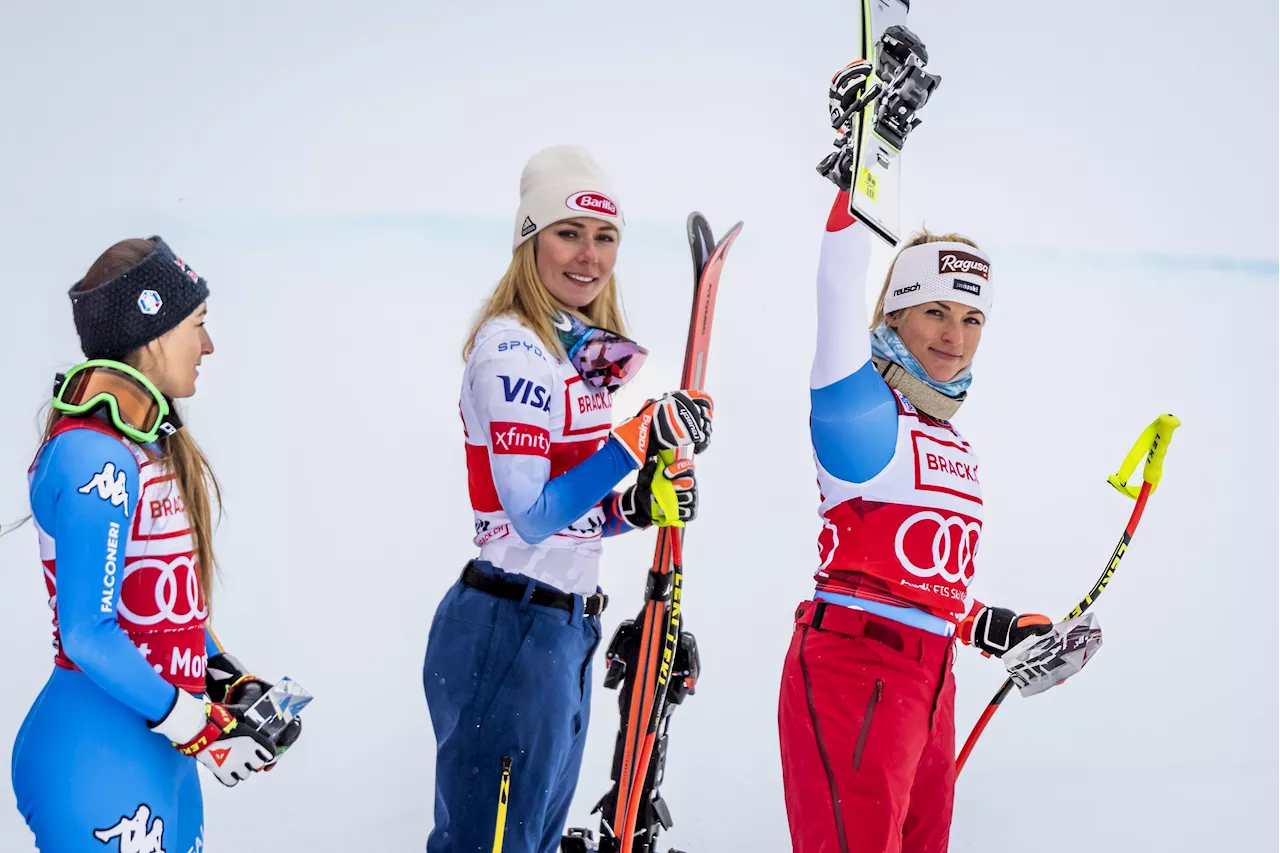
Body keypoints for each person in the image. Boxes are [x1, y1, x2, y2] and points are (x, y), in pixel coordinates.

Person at [777, 61, 1086, 853]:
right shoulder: (859, 412)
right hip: (854, 673)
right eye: (935, 313)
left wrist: (995, 629)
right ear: (896, 316)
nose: (954, 336)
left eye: (971, 319)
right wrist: (864, 160)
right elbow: (839, 292)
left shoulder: (950, 440)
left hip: (931, 681)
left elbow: (919, 580)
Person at [423, 145, 714, 853]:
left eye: (604, 237)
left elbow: (568, 516)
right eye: (568, 233)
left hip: (562, 634)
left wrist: (635, 508)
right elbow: (530, 515)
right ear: (529, 239)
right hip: (509, 629)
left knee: (532, 840)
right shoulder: (513, 352)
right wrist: (638, 438)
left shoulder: (575, 350)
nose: (588, 256)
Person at [11, 238, 301, 853]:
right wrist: (197, 728)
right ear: (154, 330)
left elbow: (166, 610)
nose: (209, 345)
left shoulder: (150, 447)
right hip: (93, 753)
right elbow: (89, 634)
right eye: (197, 325)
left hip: (157, 755)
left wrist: (229, 686)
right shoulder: (94, 454)